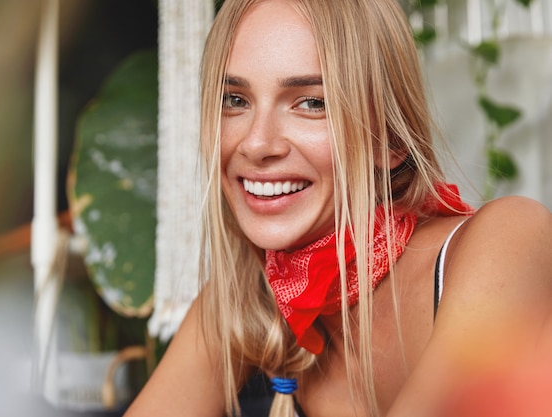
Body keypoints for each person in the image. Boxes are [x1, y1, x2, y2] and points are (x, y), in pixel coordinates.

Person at [125, 0, 552, 416]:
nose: (255, 143)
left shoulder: (509, 239)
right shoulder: (248, 295)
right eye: (235, 100)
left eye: (311, 102)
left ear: (390, 139)